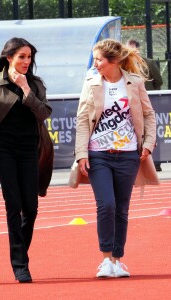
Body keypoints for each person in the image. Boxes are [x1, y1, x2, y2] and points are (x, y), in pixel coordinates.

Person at [73, 39, 159, 278]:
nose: (96, 63)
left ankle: (117, 260)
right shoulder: (91, 83)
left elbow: (149, 115)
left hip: (129, 155)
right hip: (98, 154)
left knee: (121, 209)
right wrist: (81, 154)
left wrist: (149, 145)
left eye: (99, 59)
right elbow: (82, 120)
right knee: (106, 205)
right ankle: (105, 259)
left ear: (113, 61)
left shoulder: (134, 83)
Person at [0, 37, 52, 283]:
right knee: (13, 205)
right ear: (9, 57)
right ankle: (20, 264)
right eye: (22, 57)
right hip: (3, 151)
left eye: (29, 57)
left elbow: (44, 113)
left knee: (31, 208)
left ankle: (20, 253)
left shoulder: (35, 84)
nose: (26, 62)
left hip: (29, 149)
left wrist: (27, 91)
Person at [126, 38, 163, 171]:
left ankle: (156, 162)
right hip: (131, 104)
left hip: (147, 102)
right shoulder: (122, 64)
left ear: (137, 48)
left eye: (131, 48)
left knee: (151, 130)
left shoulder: (149, 62)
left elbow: (158, 80)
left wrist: (149, 94)